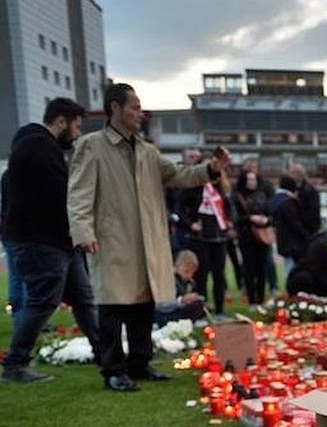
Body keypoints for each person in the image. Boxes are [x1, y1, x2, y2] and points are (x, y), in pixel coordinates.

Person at [68, 83, 227, 392]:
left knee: (143, 304)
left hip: (147, 240)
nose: (140, 114)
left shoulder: (147, 151)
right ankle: (113, 370)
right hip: (112, 238)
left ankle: (139, 364)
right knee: (112, 306)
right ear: (115, 108)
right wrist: (83, 231)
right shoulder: (91, 145)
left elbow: (180, 175)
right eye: (135, 107)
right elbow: (78, 194)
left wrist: (211, 168)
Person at [2, 97, 99, 384]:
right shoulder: (40, 147)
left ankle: (106, 354)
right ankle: (15, 365)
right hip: (42, 241)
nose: (78, 134)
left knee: (83, 299)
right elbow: (63, 194)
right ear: (61, 121)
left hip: (56, 242)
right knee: (43, 302)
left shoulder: (35, 146)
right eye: (76, 127)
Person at [178, 171, 234, 318]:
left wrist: (230, 221)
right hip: (200, 239)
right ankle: (201, 313)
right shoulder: (193, 188)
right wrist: (190, 224)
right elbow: (179, 207)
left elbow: (230, 208)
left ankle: (220, 310)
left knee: (219, 276)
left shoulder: (221, 189)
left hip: (218, 238)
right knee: (201, 276)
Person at [230, 168, 273, 308]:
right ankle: (251, 299)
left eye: (254, 179)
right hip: (246, 235)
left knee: (262, 268)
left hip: (262, 235)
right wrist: (251, 219)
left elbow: (271, 213)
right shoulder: (237, 195)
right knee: (249, 268)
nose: (252, 182)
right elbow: (235, 218)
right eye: (249, 179)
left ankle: (260, 298)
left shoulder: (263, 194)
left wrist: (266, 220)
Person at [270, 176, 309, 279]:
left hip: (284, 241)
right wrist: (306, 235)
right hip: (293, 243)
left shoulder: (276, 201)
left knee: (288, 266)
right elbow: (295, 223)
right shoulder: (288, 203)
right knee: (293, 269)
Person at [154, 249, 206, 327]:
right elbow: (160, 305)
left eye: (192, 273)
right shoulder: (168, 278)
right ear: (177, 266)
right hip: (163, 314)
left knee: (198, 303)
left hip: (176, 310)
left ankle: (185, 324)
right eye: (186, 271)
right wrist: (181, 300)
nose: (189, 276)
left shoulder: (186, 282)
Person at [1, 166, 24, 315]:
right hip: (23, 232)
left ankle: (19, 316)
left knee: (15, 277)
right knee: (29, 279)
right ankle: (31, 317)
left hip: (8, 230)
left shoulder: (7, 175)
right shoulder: (26, 175)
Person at [290, 162, 322, 236]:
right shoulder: (307, 189)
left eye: (292, 173)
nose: (291, 176)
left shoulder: (308, 191)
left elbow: (311, 213)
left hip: (305, 230)